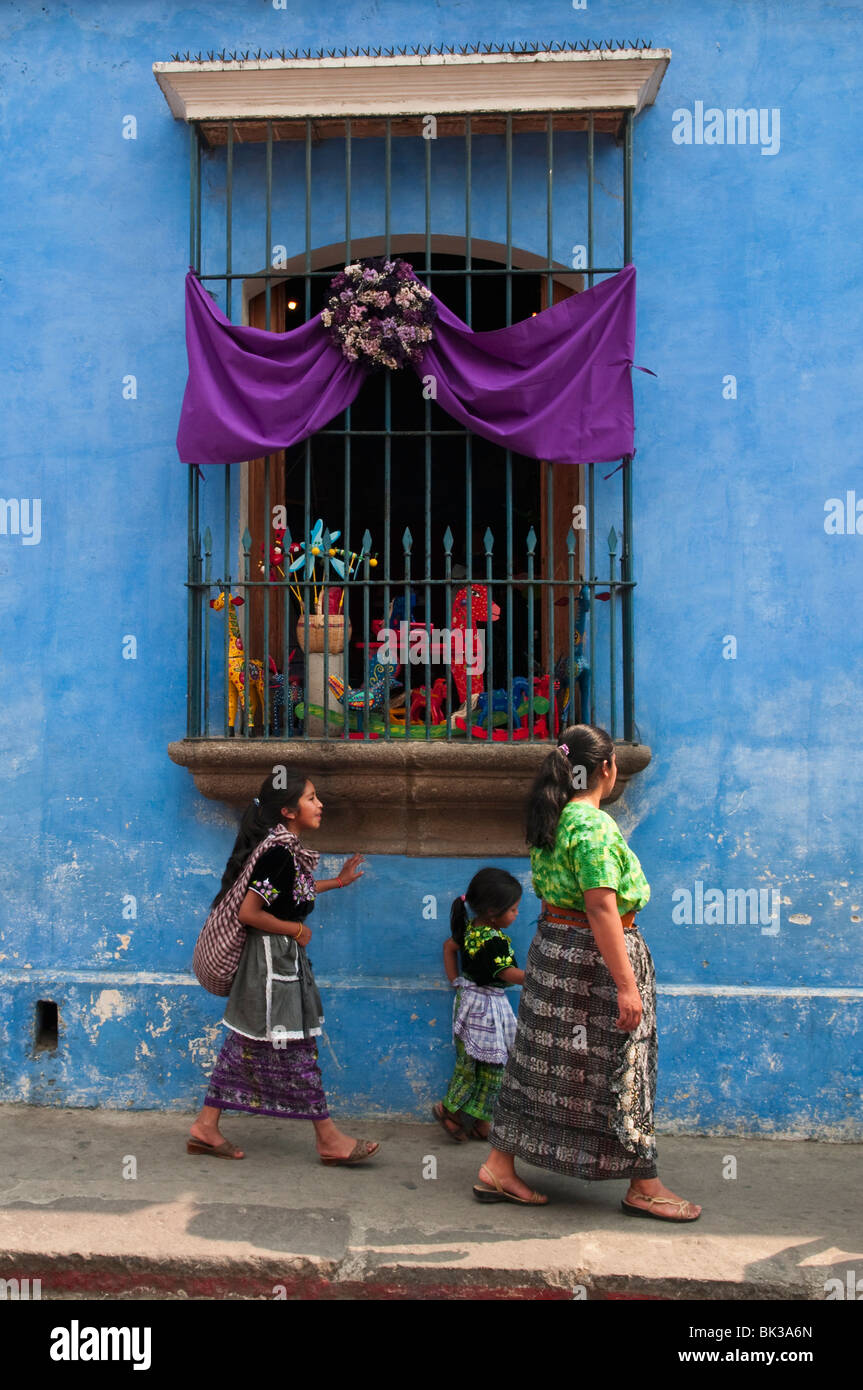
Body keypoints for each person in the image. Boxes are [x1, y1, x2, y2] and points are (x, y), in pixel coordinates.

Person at [474, 724, 701, 1222]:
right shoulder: (593, 825)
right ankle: (644, 1186)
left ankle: (497, 1166)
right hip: (596, 960)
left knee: (540, 1061)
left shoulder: (552, 820)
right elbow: (601, 906)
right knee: (623, 1065)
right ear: (606, 768)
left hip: (555, 952)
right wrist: (626, 985)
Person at [187, 769, 380, 1166]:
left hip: (278, 964)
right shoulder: (278, 852)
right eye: (311, 798)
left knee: (250, 1046)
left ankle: (206, 1126)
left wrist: (337, 882)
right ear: (289, 811)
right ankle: (327, 1138)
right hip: (271, 967)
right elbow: (250, 912)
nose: (320, 804)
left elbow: (290, 892)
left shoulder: (283, 851)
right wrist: (295, 929)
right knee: (295, 1047)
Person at [433, 869, 525, 1143]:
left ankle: (479, 1122)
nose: (517, 914)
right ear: (493, 912)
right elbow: (506, 974)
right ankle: (451, 1110)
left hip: (474, 1002)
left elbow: (449, 947)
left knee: (476, 1064)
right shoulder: (493, 941)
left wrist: (455, 980)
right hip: (484, 1006)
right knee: (490, 1066)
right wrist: (538, 977)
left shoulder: (471, 927)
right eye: (513, 909)